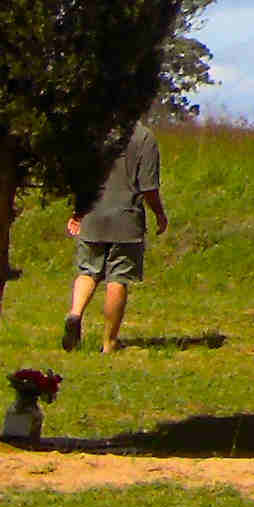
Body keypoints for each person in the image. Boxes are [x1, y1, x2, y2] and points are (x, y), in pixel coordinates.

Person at [63, 114, 167, 353]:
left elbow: (82, 179)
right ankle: (109, 342)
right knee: (117, 279)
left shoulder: (95, 134)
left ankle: (75, 313)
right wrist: (159, 214)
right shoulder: (144, 137)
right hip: (126, 221)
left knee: (87, 271)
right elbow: (149, 187)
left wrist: (78, 212)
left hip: (92, 215)